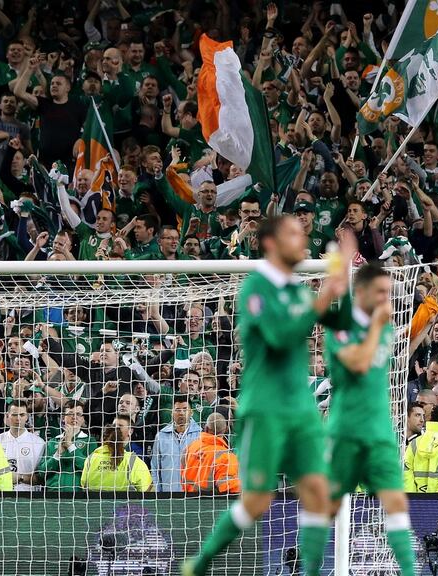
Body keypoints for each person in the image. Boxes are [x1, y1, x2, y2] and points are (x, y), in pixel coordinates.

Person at [183, 215, 353, 576]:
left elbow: (337, 324)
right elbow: (279, 337)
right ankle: (196, 566)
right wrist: (325, 297)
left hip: (301, 409)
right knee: (257, 500)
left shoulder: (296, 291)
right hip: (265, 407)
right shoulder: (255, 290)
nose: (303, 236)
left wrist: (343, 290)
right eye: (293, 232)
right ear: (271, 244)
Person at [324, 263, 415, 574]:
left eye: (389, 294)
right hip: (345, 431)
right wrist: (377, 327)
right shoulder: (341, 327)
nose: (386, 300)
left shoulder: (385, 329)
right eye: (380, 292)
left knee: (396, 504)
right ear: (360, 292)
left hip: (377, 431)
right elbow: (359, 365)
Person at [80, 415, 153, 492]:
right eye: (114, 426)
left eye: (120, 426)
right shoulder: (133, 460)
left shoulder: (91, 458)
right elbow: (147, 488)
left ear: (102, 438)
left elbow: (84, 484)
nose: (116, 428)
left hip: (95, 503)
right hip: (124, 504)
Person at [38, 400, 96, 491]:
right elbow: (42, 472)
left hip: (78, 495)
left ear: (83, 419)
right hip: (53, 495)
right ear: (63, 418)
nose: (74, 417)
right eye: (70, 414)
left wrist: (70, 446)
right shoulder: (52, 442)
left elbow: (91, 468)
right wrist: (58, 454)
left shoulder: (90, 441)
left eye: (78, 414)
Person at [150, 395, 202, 492]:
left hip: (193, 497)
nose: (181, 413)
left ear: (191, 412)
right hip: (167, 496)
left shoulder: (200, 436)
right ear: (172, 413)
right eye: (177, 410)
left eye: (185, 409)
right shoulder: (161, 436)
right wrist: (158, 492)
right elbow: (155, 467)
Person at [181, 412, 239, 494]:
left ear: (206, 428)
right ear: (226, 429)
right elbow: (231, 490)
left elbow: (182, 475)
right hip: (211, 505)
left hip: (186, 502)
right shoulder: (227, 457)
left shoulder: (190, 447)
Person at [0, 400, 46, 491]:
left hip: (30, 497)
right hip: (1, 495)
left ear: (27, 417)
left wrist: (20, 477)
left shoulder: (39, 443)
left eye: (22, 415)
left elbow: (42, 477)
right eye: (14, 415)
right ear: (7, 416)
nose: (18, 419)